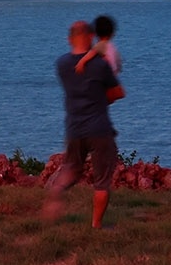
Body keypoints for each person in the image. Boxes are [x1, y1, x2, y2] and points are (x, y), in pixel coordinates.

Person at [46, 20, 126, 229]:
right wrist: (102, 97)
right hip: (99, 128)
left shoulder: (62, 64)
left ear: (69, 39)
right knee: (102, 180)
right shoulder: (100, 65)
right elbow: (118, 93)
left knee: (72, 168)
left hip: (74, 127)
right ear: (91, 36)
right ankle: (96, 225)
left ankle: (56, 191)